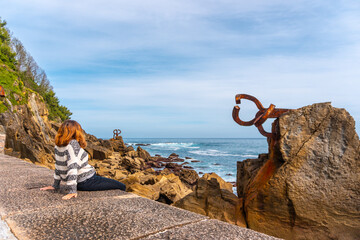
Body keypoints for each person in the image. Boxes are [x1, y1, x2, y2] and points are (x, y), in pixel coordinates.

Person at [40, 120, 126, 200]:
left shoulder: (58, 146)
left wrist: (55, 185)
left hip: (83, 180)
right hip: (86, 181)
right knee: (122, 186)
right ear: (77, 132)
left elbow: (58, 166)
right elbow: (72, 166)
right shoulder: (73, 144)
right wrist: (72, 191)